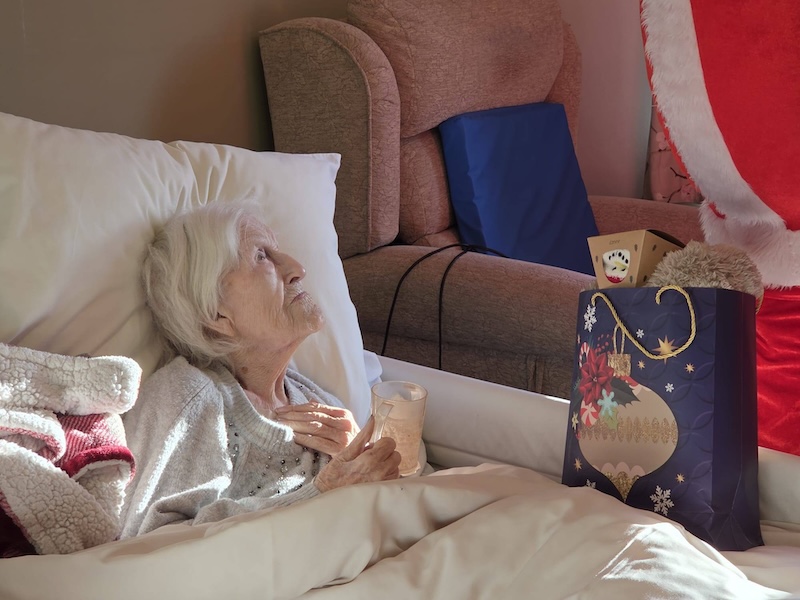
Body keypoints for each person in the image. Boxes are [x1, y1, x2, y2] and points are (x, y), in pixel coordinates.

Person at [120, 202, 401, 538]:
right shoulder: (189, 397)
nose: (298, 269)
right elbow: (148, 544)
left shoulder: (320, 403)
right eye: (261, 256)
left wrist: (361, 457)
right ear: (216, 313)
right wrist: (323, 494)